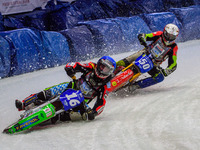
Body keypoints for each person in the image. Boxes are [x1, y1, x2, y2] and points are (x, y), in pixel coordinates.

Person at [15, 56, 116, 122]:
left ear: (109, 72)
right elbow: (76, 65)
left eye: (105, 69)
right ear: (98, 64)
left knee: (74, 115)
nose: (101, 69)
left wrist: (93, 113)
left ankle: (51, 118)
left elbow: (101, 103)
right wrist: (70, 69)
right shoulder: (91, 66)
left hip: (80, 100)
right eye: (101, 66)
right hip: (72, 86)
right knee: (48, 92)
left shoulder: (105, 85)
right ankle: (24, 104)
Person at [116, 23, 179, 92]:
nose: (169, 38)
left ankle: (135, 86)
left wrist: (166, 71)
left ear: (175, 37)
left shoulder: (174, 47)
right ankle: (110, 71)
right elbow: (146, 35)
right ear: (164, 32)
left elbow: (173, 63)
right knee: (122, 62)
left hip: (153, 64)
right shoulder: (159, 34)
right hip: (144, 53)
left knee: (159, 77)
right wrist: (142, 38)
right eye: (168, 35)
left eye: (172, 36)